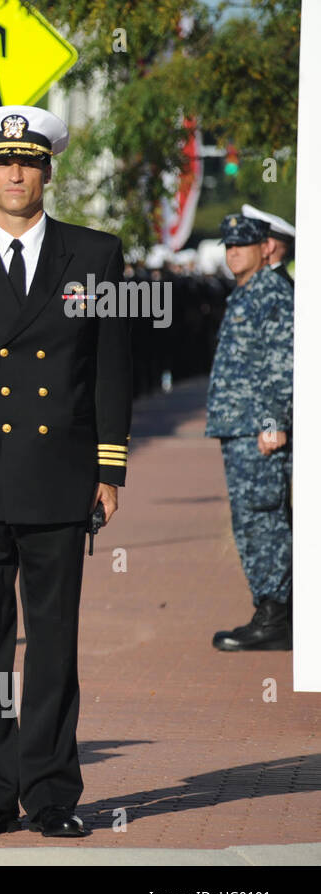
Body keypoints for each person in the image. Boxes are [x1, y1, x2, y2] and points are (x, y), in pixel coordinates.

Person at [0, 106, 131, 838]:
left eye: (29, 161)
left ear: (48, 170)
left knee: (52, 644)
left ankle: (50, 794)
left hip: (58, 473)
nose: (15, 173)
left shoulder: (96, 254)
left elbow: (110, 367)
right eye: (3, 161)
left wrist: (109, 464)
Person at [208, 213, 293, 651]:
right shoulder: (246, 292)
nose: (233, 251)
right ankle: (271, 608)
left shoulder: (271, 293)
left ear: (266, 247)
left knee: (264, 519)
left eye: (243, 244)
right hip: (239, 428)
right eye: (229, 245)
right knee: (251, 519)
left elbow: (281, 363)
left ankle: (275, 615)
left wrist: (272, 423)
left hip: (257, 431)